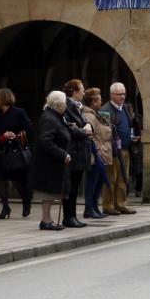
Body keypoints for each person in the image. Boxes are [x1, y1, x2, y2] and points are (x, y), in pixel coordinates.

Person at [29, 91, 73, 231]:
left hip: (53, 162)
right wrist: (62, 154)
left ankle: (48, 220)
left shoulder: (56, 115)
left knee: (50, 194)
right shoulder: (49, 118)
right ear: (59, 105)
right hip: (48, 162)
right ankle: (45, 220)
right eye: (65, 103)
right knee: (47, 193)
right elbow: (45, 141)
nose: (66, 105)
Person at [0, 88, 35, 219]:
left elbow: (30, 130)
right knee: (1, 180)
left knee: (18, 182)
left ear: (4, 99)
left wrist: (14, 135)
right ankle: (5, 207)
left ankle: (26, 202)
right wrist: (2, 137)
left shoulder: (19, 113)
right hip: (1, 151)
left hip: (16, 152)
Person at [99, 82, 138, 215]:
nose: (122, 96)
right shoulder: (105, 110)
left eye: (124, 94)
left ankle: (121, 204)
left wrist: (132, 136)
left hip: (125, 149)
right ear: (111, 95)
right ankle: (108, 205)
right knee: (111, 178)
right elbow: (103, 133)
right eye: (119, 94)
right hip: (113, 151)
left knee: (123, 178)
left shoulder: (124, 108)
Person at [62, 79, 92, 228]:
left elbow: (84, 123)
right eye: (82, 90)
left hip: (80, 151)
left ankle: (72, 215)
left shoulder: (78, 107)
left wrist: (86, 126)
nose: (84, 92)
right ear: (74, 92)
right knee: (71, 187)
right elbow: (69, 127)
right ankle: (69, 216)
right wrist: (84, 131)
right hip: (73, 151)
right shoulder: (67, 106)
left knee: (75, 186)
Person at [82, 88, 113, 219]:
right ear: (94, 102)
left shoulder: (95, 114)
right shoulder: (89, 115)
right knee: (92, 183)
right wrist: (97, 152)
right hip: (97, 155)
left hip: (102, 153)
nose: (101, 101)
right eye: (99, 99)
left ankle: (94, 207)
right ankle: (89, 208)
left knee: (98, 183)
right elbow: (91, 136)